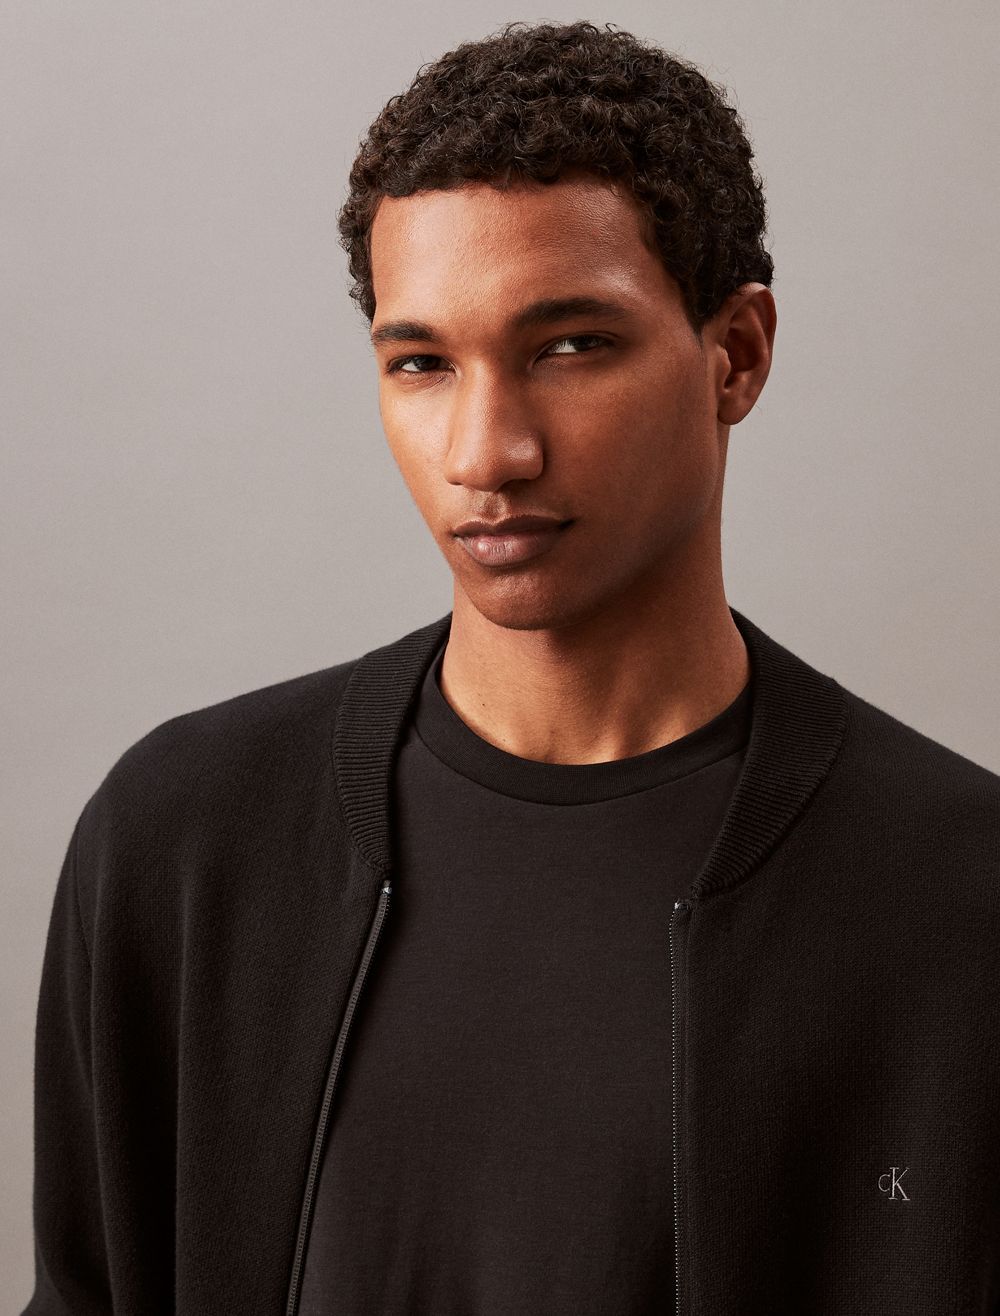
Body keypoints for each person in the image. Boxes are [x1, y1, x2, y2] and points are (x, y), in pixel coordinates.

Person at [22, 19, 1000, 1316]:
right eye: (422, 363)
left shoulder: (961, 896)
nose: (486, 451)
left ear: (738, 355)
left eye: (570, 345)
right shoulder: (187, 842)